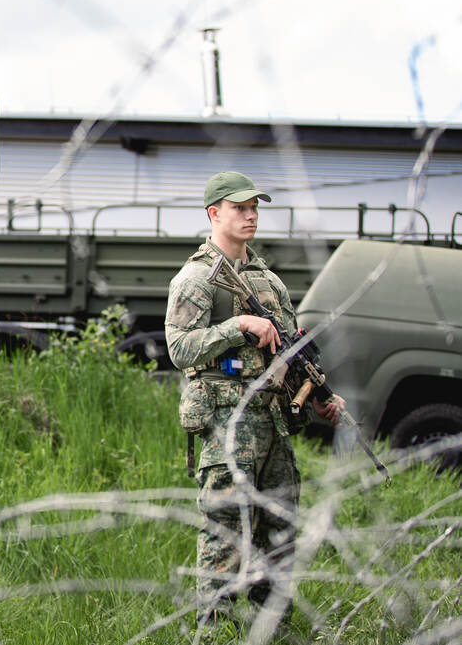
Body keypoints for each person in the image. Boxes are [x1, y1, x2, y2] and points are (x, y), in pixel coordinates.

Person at [165, 171, 343, 629]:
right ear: (214, 213)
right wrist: (237, 327)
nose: (250, 215)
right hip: (228, 420)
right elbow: (180, 347)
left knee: (279, 529)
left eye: (255, 208)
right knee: (225, 529)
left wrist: (318, 394)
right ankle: (215, 630)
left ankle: (272, 629)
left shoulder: (268, 280)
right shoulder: (196, 277)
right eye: (240, 208)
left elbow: (288, 351)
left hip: (273, 422)